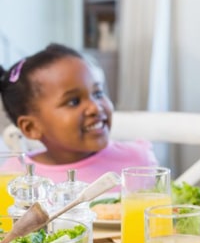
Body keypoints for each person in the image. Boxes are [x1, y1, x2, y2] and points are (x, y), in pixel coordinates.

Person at [0, 43, 157, 183]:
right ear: (31, 128)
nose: (95, 108)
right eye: (73, 101)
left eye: (97, 93)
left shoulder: (138, 162)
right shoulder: (15, 177)